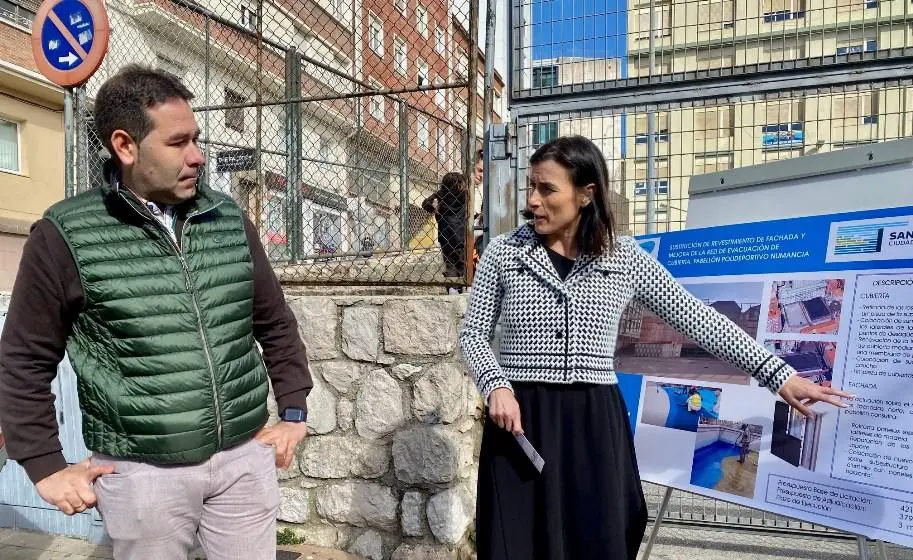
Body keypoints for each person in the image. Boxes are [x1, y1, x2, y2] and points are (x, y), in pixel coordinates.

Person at [459, 135, 852, 560]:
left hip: (593, 421)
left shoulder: (623, 257)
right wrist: (497, 385)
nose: (533, 200)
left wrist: (779, 374)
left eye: (547, 189)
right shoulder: (504, 252)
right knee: (520, 539)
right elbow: (474, 333)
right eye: (531, 187)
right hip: (522, 418)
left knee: (600, 534)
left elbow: (698, 319)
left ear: (586, 194)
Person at [0, 65, 313, 560]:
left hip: (243, 461)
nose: (198, 157)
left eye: (197, 139)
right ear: (126, 146)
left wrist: (294, 409)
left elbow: (273, 320)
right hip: (143, 475)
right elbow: (22, 359)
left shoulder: (227, 218)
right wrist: (44, 465)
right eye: (178, 143)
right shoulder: (67, 235)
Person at [422, 171, 469, 284]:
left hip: (446, 236)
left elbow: (425, 203)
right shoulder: (465, 195)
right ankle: (465, 286)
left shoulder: (442, 193)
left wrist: (435, 210)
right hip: (462, 236)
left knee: (450, 264)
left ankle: (452, 289)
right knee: (462, 263)